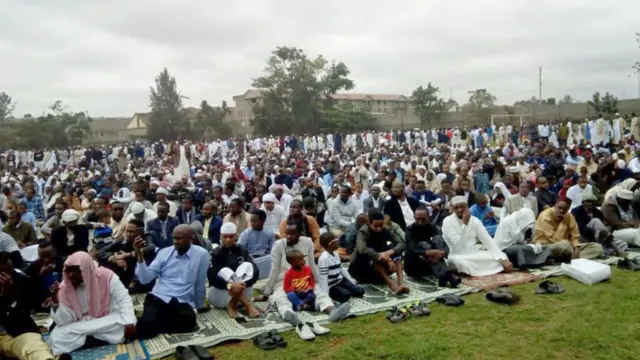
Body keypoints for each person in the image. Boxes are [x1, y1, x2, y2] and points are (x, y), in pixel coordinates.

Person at [262, 222, 350, 341]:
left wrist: (317, 282)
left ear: (300, 234)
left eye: (292, 234)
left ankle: (332, 311)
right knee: (281, 298)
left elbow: (312, 263)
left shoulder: (307, 242)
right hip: (284, 280)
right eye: (287, 233)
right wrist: (267, 292)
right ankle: (292, 317)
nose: (288, 237)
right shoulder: (278, 245)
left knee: (319, 293)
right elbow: (274, 270)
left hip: (306, 278)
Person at [47, 252, 136, 355]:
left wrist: (129, 322)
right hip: (80, 324)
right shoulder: (64, 288)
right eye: (68, 272)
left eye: (75, 272)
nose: (70, 275)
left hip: (106, 319)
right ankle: (100, 338)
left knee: (124, 322)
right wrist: (55, 300)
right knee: (57, 336)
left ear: (86, 269)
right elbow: (64, 322)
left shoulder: (106, 276)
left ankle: (85, 340)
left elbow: (124, 299)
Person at [134, 224, 210, 339]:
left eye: (179, 238)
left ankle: (153, 322)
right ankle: (151, 322)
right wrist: (140, 255)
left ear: (191, 238)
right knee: (146, 329)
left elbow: (200, 283)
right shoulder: (164, 253)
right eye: (174, 238)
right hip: (158, 298)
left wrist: (199, 306)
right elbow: (145, 279)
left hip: (181, 301)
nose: (175, 241)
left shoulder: (202, 254)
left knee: (188, 323)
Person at [0, 252, 55, 360]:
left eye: (7, 260)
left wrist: (7, 295)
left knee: (33, 346)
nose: (9, 263)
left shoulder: (20, 281)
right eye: (3, 262)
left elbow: (25, 312)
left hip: (16, 335)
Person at [441, 196, 513, 276]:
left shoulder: (475, 220)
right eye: (456, 207)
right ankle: (469, 271)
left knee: (503, 256)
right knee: (457, 262)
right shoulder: (447, 221)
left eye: (462, 206)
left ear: (467, 206)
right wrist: (465, 224)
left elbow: (488, 240)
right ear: (453, 209)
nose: (460, 210)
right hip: (457, 254)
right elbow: (457, 245)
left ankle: (469, 272)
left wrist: (502, 259)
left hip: (474, 253)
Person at [349, 209, 408, 294]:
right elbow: (362, 249)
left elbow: (401, 243)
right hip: (362, 268)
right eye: (376, 226)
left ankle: (401, 283)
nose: (379, 228)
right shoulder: (363, 231)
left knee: (395, 249)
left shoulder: (385, 229)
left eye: (381, 225)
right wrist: (380, 256)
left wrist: (389, 252)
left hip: (381, 264)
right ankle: (391, 284)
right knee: (371, 253)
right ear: (369, 222)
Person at [208, 222, 260, 318]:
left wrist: (242, 285)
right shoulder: (215, 253)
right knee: (225, 271)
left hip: (243, 288)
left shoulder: (242, 250)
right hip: (221, 293)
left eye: (231, 237)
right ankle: (247, 305)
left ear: (236, 236)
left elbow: (255, 270)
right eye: (225, 237)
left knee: (247, 265)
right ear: (221, 236)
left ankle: (232, 304)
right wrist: (230, 285)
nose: (228, 240)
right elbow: (212, 276)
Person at [404, 208, 460, 287]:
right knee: (424, 244)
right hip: (414, 266)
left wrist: (443, 252)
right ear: (414, 217)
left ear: (429, 217)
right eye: (417, 219)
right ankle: (448, 277)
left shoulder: (434, 228)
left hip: (431, 265)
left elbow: (443, 243)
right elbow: (412, 248)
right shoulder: (409, 230)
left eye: (423, 219)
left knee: (438, 238)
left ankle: (443, 277)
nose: (420, 222)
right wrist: (430, 252)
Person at [534, 200, 604, 262]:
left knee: (597, 247)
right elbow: (555, 239)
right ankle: (571, 257)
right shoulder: (545, 217)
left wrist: (576, 248)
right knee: (565, 245)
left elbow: (575, 235)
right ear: (555, 206)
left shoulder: (569, 216)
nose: (561, 211)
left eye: (564, 209)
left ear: (567, 209)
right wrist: (562, 224)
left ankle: (571, 257)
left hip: (567, 247)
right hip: (547, 246)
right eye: (559, 208)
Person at [97, 219, 155, 290]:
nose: (128, 234)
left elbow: (151, 248)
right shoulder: (123, 239)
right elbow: (101, 251)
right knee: (103, 261)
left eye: (131, 232)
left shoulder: (146, 237)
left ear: (140, 232)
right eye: (126, 231)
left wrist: (128, 255)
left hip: (140, 272)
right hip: (124, 270)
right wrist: (115, 260)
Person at [317, 232, 364, 303]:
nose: (338, 241)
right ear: (330, 243)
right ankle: (338, 292)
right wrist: (326, 296)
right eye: (336, 240)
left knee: (359, 291)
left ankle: (344, 289)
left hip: (340, 280)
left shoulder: (335, 254)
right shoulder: (324, 259)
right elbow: (324, 279)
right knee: (345, 295)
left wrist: (350, 280)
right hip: (331, 285)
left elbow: (342, 269)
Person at [24, 241, 64, 311]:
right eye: (42, 256)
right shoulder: (33, 267)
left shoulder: (63, 263)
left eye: (48, 255)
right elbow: (27, 287)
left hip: (62, 298)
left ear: (55, 251)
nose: (46, 259)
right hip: (41, 301)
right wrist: (40, 275)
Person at [238, 209, 275, 280]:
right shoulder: (246, 234)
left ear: (262, 221)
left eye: (255, 221)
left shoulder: (269, 233)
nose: (252, 223)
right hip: (250, 259)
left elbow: (272, 249)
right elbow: (240, 251)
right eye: (251, 221)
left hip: (264, 258)